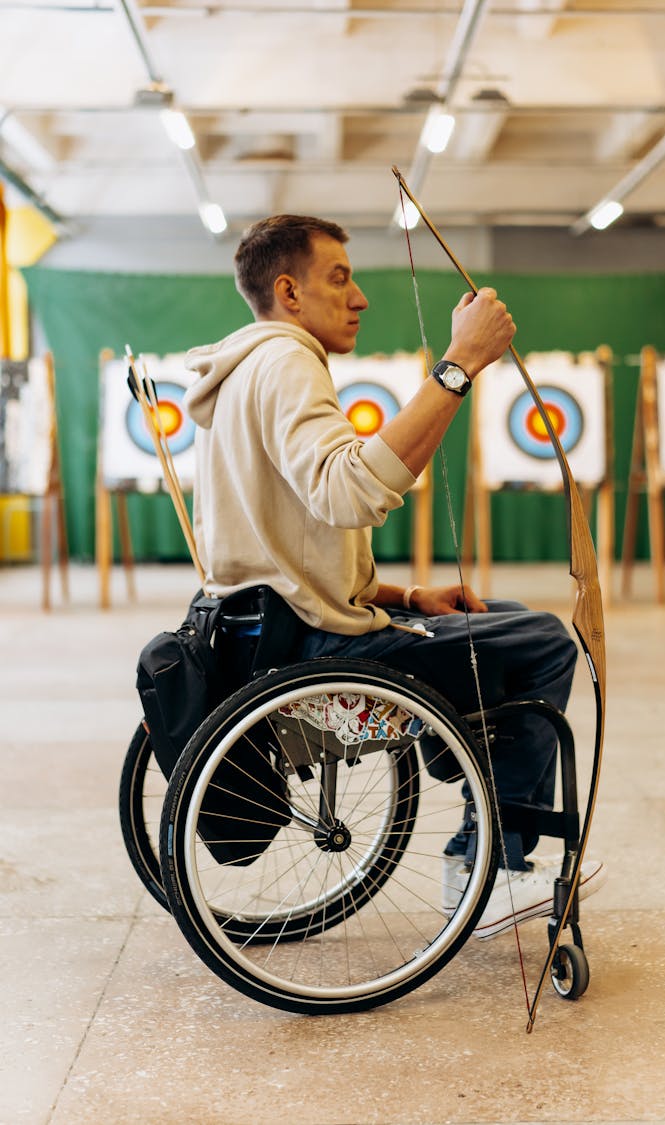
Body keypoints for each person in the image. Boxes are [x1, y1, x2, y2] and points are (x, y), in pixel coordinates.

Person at [184, 214, 605, 940]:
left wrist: (409, 597)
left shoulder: (244, 368)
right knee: (540, 641)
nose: (361, 298)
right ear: (288, 291)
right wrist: (459, 364)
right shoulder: (287, 361)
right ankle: (489, 864)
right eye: (339, 277)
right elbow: (351, 493)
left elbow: (283, 549)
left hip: (269, 633)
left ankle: (465, 767)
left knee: (488, 616)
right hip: (315, 651)